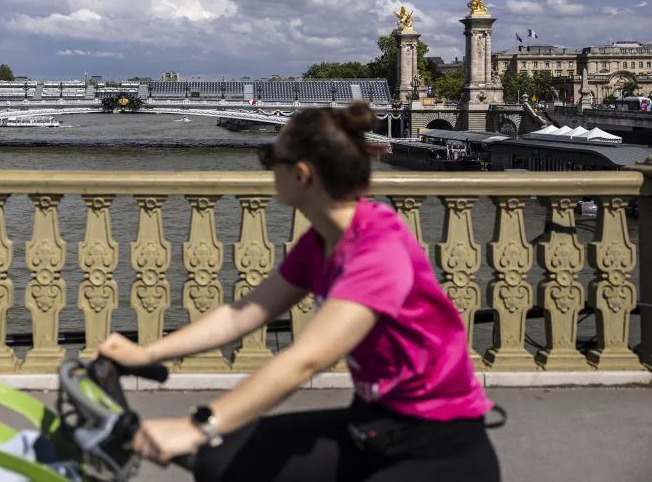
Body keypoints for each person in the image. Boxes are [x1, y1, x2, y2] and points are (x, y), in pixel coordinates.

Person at [97, 101, 503, 482]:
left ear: (302, 175)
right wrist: (146, 353)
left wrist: (199, 424)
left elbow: (305, 360)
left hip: (434, 449)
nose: (266, 168)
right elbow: (245, 313)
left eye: (270, 158)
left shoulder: (377, 250)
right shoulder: (322, 240)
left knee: (222, 455)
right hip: (374, 422)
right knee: (222, 461)